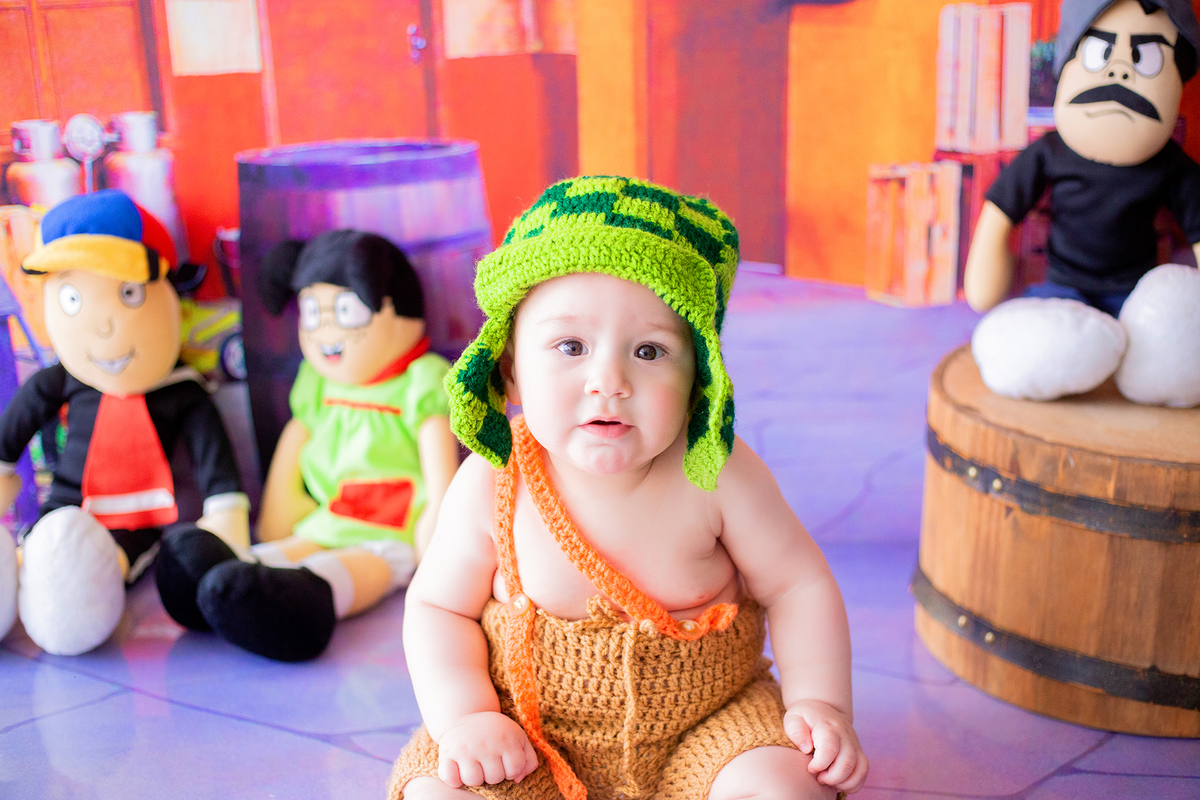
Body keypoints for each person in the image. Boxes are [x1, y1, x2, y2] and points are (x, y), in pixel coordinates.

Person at [390, 177, 867, 800]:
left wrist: (821, 703)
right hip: (526, 735)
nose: (608, 380)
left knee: (783, 787)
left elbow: (798, 584)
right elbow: (437, 608)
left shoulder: (715, 471)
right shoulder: (493, 474)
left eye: (649, 350)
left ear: (700, 375)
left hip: (705, 726)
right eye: (570, 346)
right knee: (439, 792)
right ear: (509, 367)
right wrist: (467, 717)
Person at [155, 230, 460, 662]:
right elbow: (296, 440)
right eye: (313, 313)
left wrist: (437, 533)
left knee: (354, 570)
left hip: (389, 532)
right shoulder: (318, 385)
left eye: (346, 311)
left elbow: (439, 466)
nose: (326, 331)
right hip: (325, 518)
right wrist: (277, 515)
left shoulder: (419, 382)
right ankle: (212, 581)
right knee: (269, 558)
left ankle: (307, 604)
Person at [0, 189, 248, 656]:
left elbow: (221, 482)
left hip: (133, 528)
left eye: (128, 294)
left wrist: (227, 533)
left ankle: (59, 593)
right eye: (71, 298)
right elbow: (6, 447)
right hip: (62, 510)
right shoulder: (60, 382)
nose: (103, 325)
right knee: (39, 547)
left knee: (80, 576)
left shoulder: (183, 392)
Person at [964, 0, 1200, 406]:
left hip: (1137, 298)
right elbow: (1001, 211)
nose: (1119, 72)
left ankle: (1145, 360)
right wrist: (987, 281)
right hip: (1063, 288)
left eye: (1143, 57)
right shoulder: (1049, 153)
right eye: (1099, 53)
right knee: (1047, 338)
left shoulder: (1172, 167)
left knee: (1169, 340)